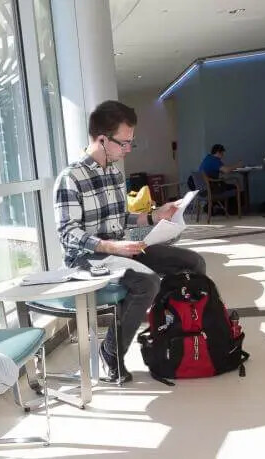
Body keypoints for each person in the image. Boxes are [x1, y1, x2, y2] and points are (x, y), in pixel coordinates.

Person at [55, 100, 207, 384]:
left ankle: (174, 332)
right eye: (124, 143)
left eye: (130, 143)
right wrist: (113, 247)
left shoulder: (113, 172)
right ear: (102, 139)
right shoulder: (70, 178)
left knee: (192, 263)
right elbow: (68, 233)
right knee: (148, 282)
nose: (127, 150)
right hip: (88, 258)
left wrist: (154, 216)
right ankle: (111, 351)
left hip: (121, 250)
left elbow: (121, 218)